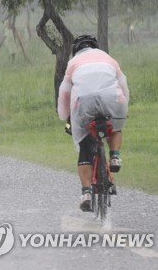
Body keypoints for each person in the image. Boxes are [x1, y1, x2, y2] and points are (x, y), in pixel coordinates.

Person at [57, 35, 129, 212]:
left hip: (84, 103)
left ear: (76, 50)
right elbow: (124, 84)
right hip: (113, 99)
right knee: (116, 127)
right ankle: (115, 155)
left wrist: (64, 116)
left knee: (85, 144)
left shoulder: (73, 63)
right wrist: (123, 107)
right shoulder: (109, 59)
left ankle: (86, 192)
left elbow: (64, 92)